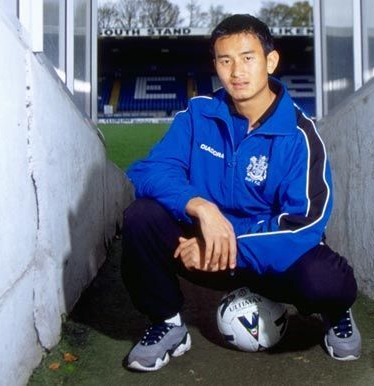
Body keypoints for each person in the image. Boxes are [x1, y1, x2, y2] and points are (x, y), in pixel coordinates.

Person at [122, 14, 361, 372]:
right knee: (141, 217)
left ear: (271, 61)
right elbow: (150, 170)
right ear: (215, 65)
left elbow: (303, 224)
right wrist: (200, 207)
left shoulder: (300, 136)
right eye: (225, 60)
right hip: (207, 251)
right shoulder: (198, 115)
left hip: (270, 258)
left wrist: (224, 241)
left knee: (327, 280)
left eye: (248, 58)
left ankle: (336, 313)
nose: (236, 71)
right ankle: (167, 322)